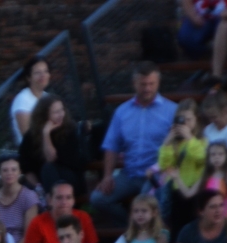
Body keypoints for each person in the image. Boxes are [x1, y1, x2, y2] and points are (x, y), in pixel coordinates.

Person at [94, 63, 178, 226]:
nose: (147, 88)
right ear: (134, 83)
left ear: (158, 83)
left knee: (147, 205)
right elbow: (111, 145)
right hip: (129, 174)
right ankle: (132, 227)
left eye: (151, 84)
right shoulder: (122, 111)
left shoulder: (172, 110)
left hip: (157, 173)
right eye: (143, 84)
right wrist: (107, 176)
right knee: (98, 199)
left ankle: (143, 230)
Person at [21, 182, 99, 243]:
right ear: (49, 200)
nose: (64, 202)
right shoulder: (37, 223)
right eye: (59, 198)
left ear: (73, 200)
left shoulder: (84, 218)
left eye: (68, 197)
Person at [19, 95, 90, 193]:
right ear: (44, 115)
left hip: (70, 179)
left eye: (62, 110)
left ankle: (50, 199)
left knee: (48, 168)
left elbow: (51, 158)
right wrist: (38, 187)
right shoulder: (31, 135)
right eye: (56, 112)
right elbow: (26, 167)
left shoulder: (69, 130)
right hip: (41, 184)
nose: (61, 115)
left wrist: (46, 134)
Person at [157, 101, 208, 230]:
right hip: (176, 190)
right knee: (178, 228)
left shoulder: (202, 141)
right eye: (182, 119)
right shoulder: (175, 143)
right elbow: (164, 165)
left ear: (196, 119)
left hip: (194, 190)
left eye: (189, 119)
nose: (186, 123)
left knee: (194, 228)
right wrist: (167, 144)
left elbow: (202, 159)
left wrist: (190, 139)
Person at [0, 156, 42, 243]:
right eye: (5, 170)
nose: (9, 173)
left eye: (13, 169)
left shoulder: (29, 197)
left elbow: (29, 234)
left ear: (20, 172)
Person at [200, 90, 227, 181]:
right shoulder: (208, 129)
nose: (212, 120)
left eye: (214, 117)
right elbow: (204, 149)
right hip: (212, 173)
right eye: (209, 118)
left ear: (225, 111)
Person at [10, 56, 51, 142]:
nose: (43, 75)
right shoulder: (22, 100)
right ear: (29, 77)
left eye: (46, 71)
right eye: (37, 73)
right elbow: (28, 136)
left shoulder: (49, 97)